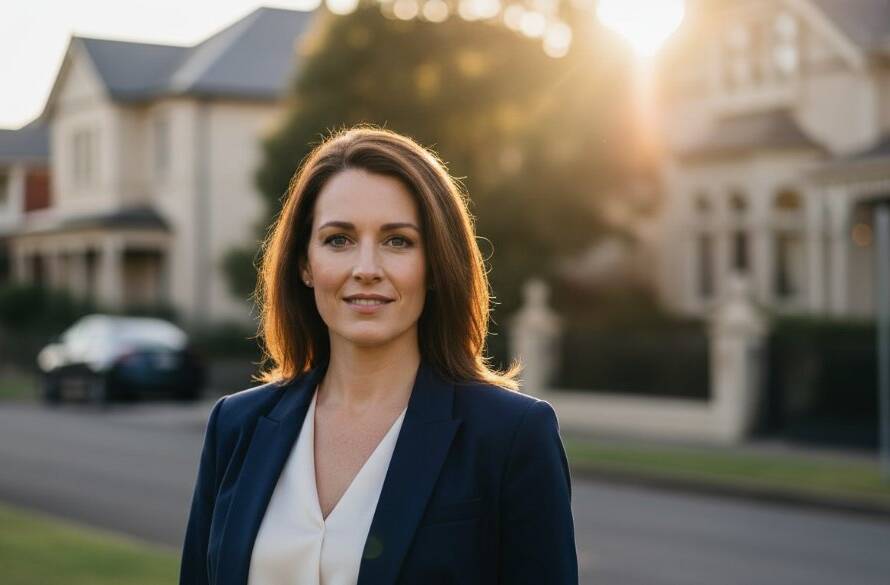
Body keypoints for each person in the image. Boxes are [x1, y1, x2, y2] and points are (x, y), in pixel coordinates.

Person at [179, 126, 578, 585]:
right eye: (338, 240)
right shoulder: (236, 426)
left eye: (397, 241)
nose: (366, 269)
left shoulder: (511, 436)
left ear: (434, 265)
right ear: (305, 264)